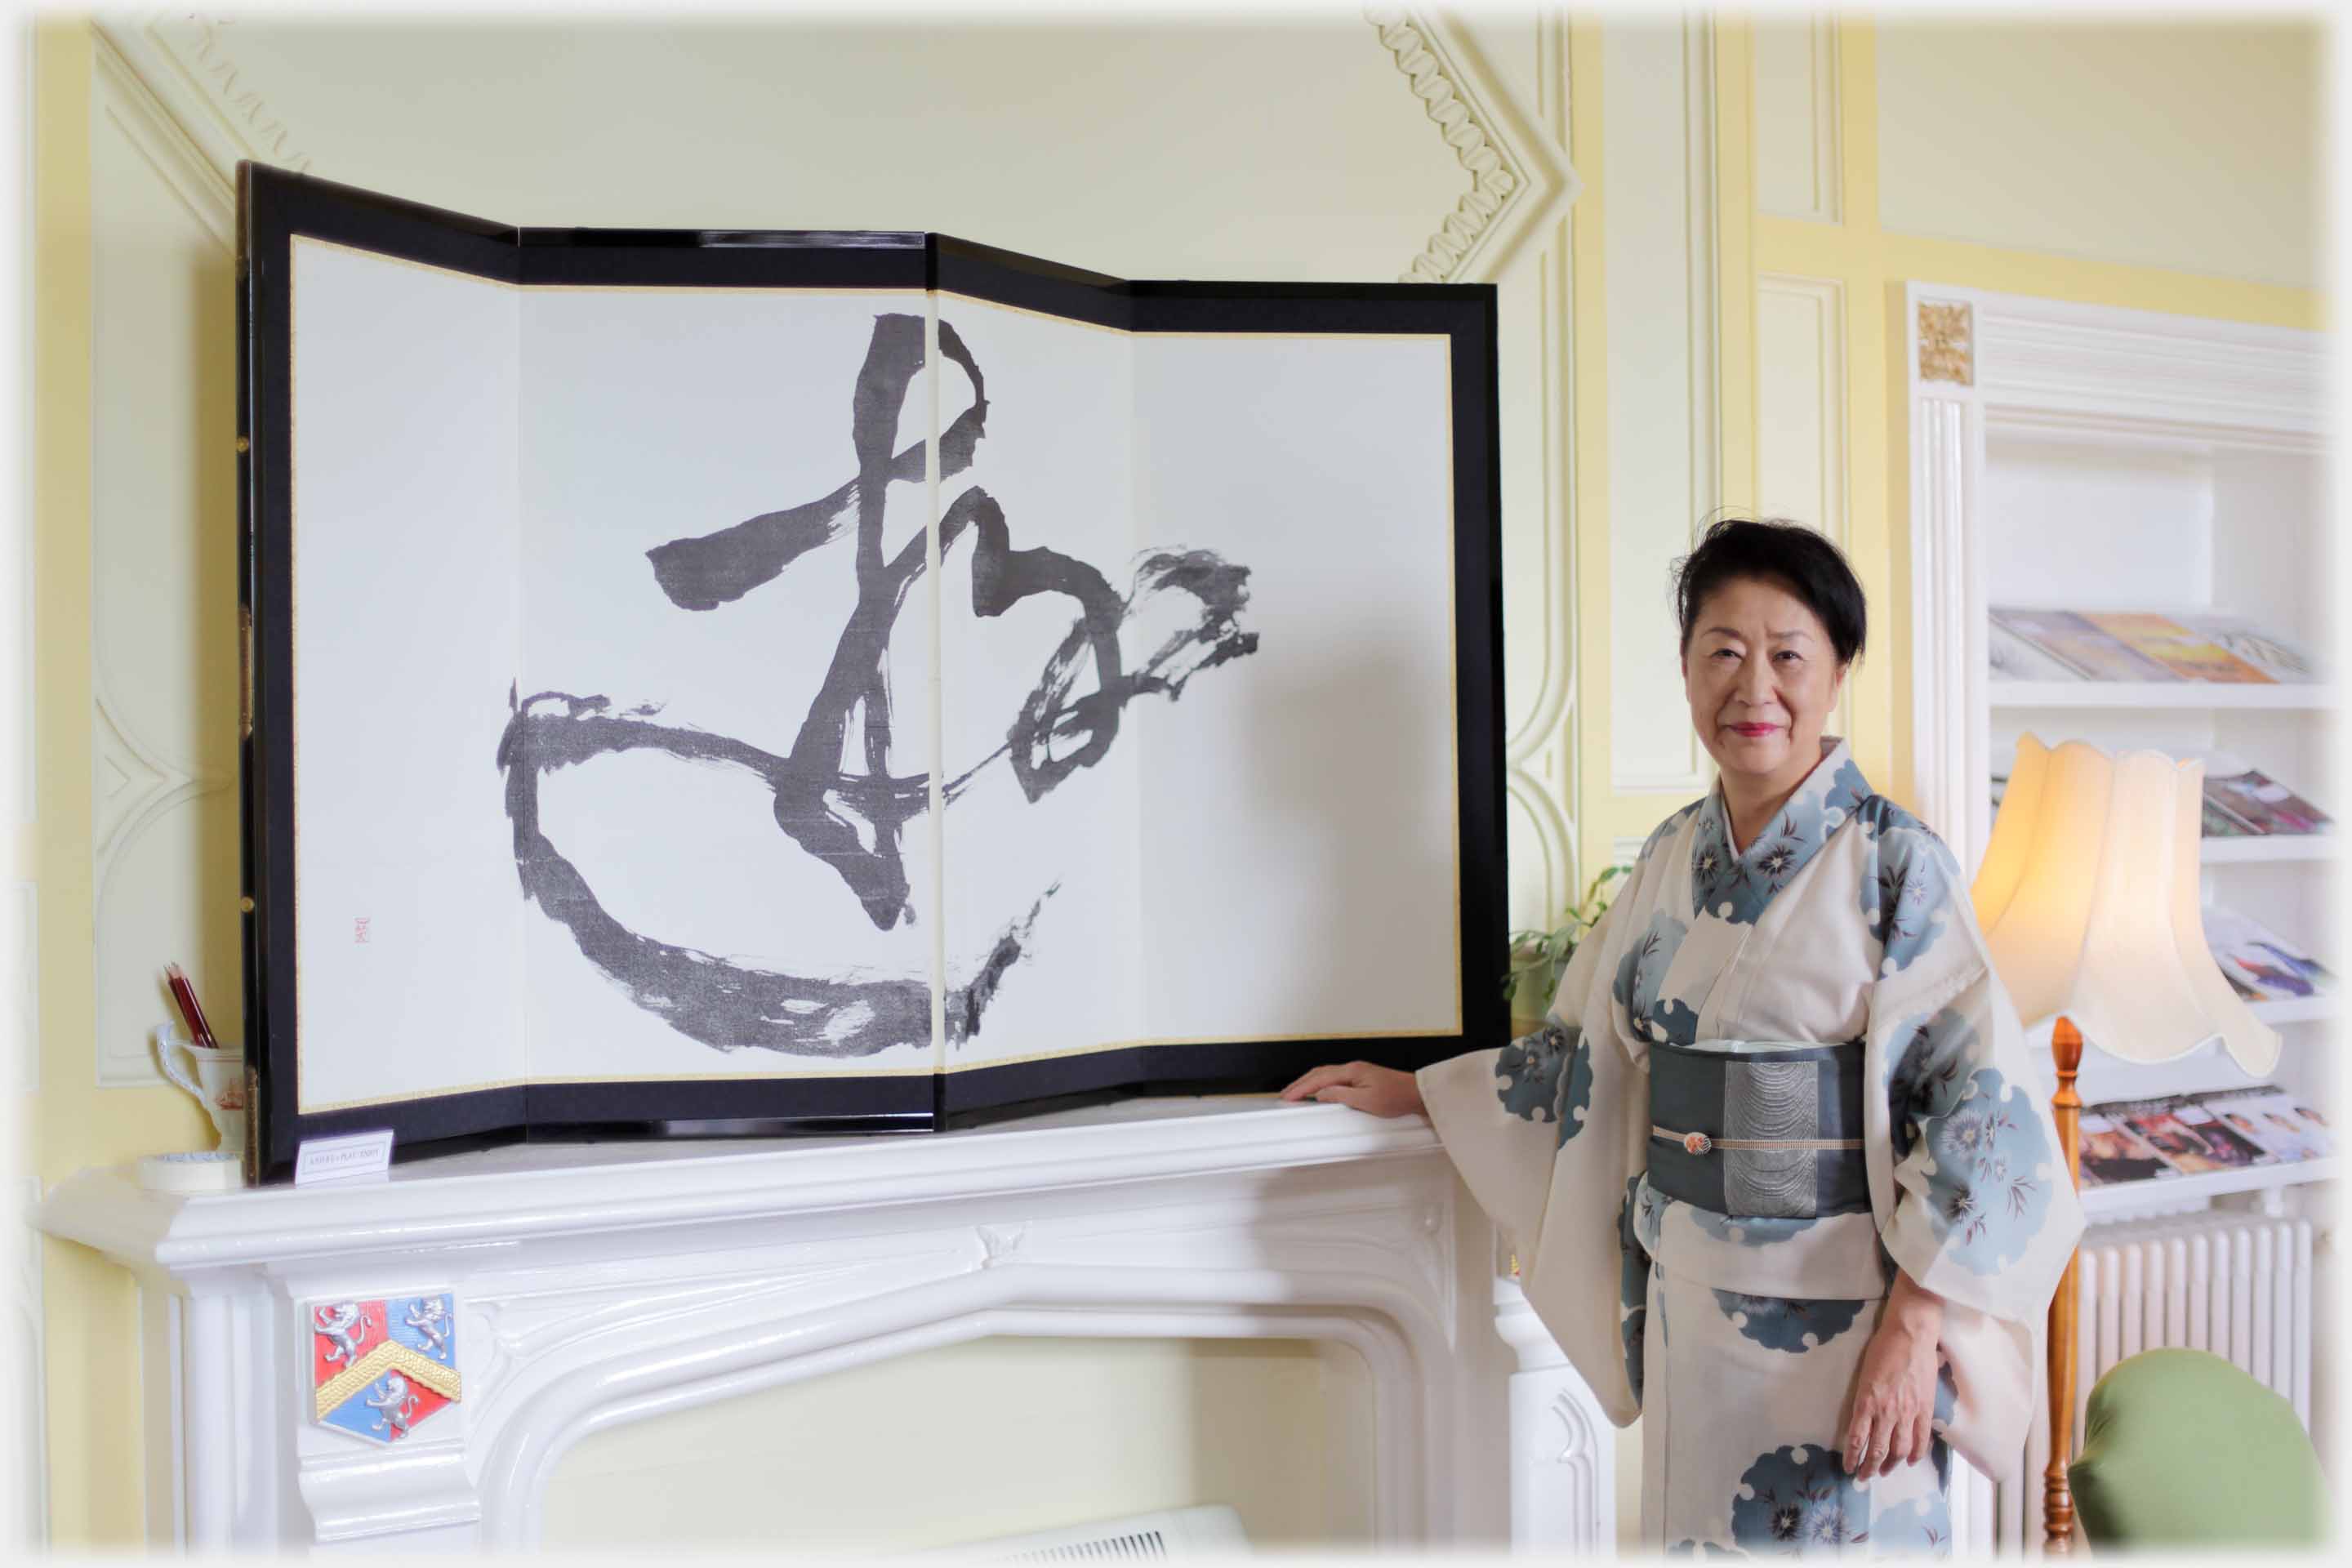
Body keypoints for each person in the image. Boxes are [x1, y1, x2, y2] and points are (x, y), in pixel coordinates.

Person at [1283, 517, 2083, 1553]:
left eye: (1789, 654)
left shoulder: (1896, 866)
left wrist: (1915, 1327)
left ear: (1838, 671)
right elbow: (1584, 1063)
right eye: (1724, 653)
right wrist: (1417, 1092)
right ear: (1686, 667)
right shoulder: (1669, 858)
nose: (1755, 689)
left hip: (1850, 1318)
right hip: (1696, 1310)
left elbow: (1982, 1111)